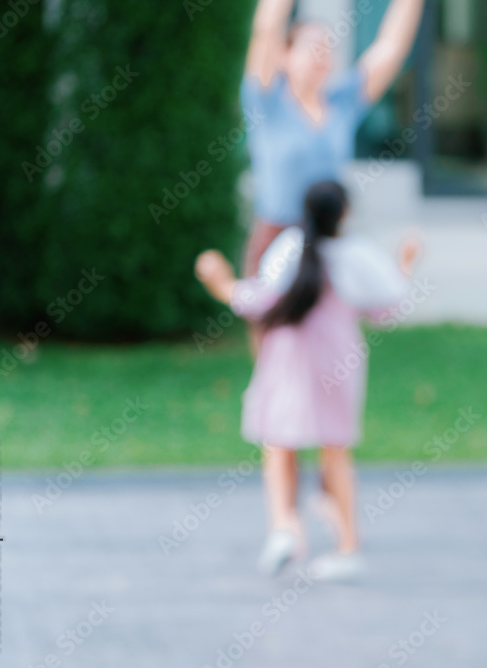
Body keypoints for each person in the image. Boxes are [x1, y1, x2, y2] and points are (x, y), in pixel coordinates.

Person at [195, 181, 419, 577]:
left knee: (279, 442)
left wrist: (221, 283)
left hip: (287, 360)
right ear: (345, 214)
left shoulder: (288, 250)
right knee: (335, 449)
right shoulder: (356, 255)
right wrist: (406, 263)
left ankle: (284, 525)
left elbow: (258, 300)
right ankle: (348, 545)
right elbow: (387, 307)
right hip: (338, 360)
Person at [241, 0, 425, 276]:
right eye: (312, 47)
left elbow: (391, 49)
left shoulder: (342, 103)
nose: (322, 55)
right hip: (275, 240)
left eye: (328, 48)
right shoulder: (266, 103)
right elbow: (267, 29)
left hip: (329, 243)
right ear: (284, 55)